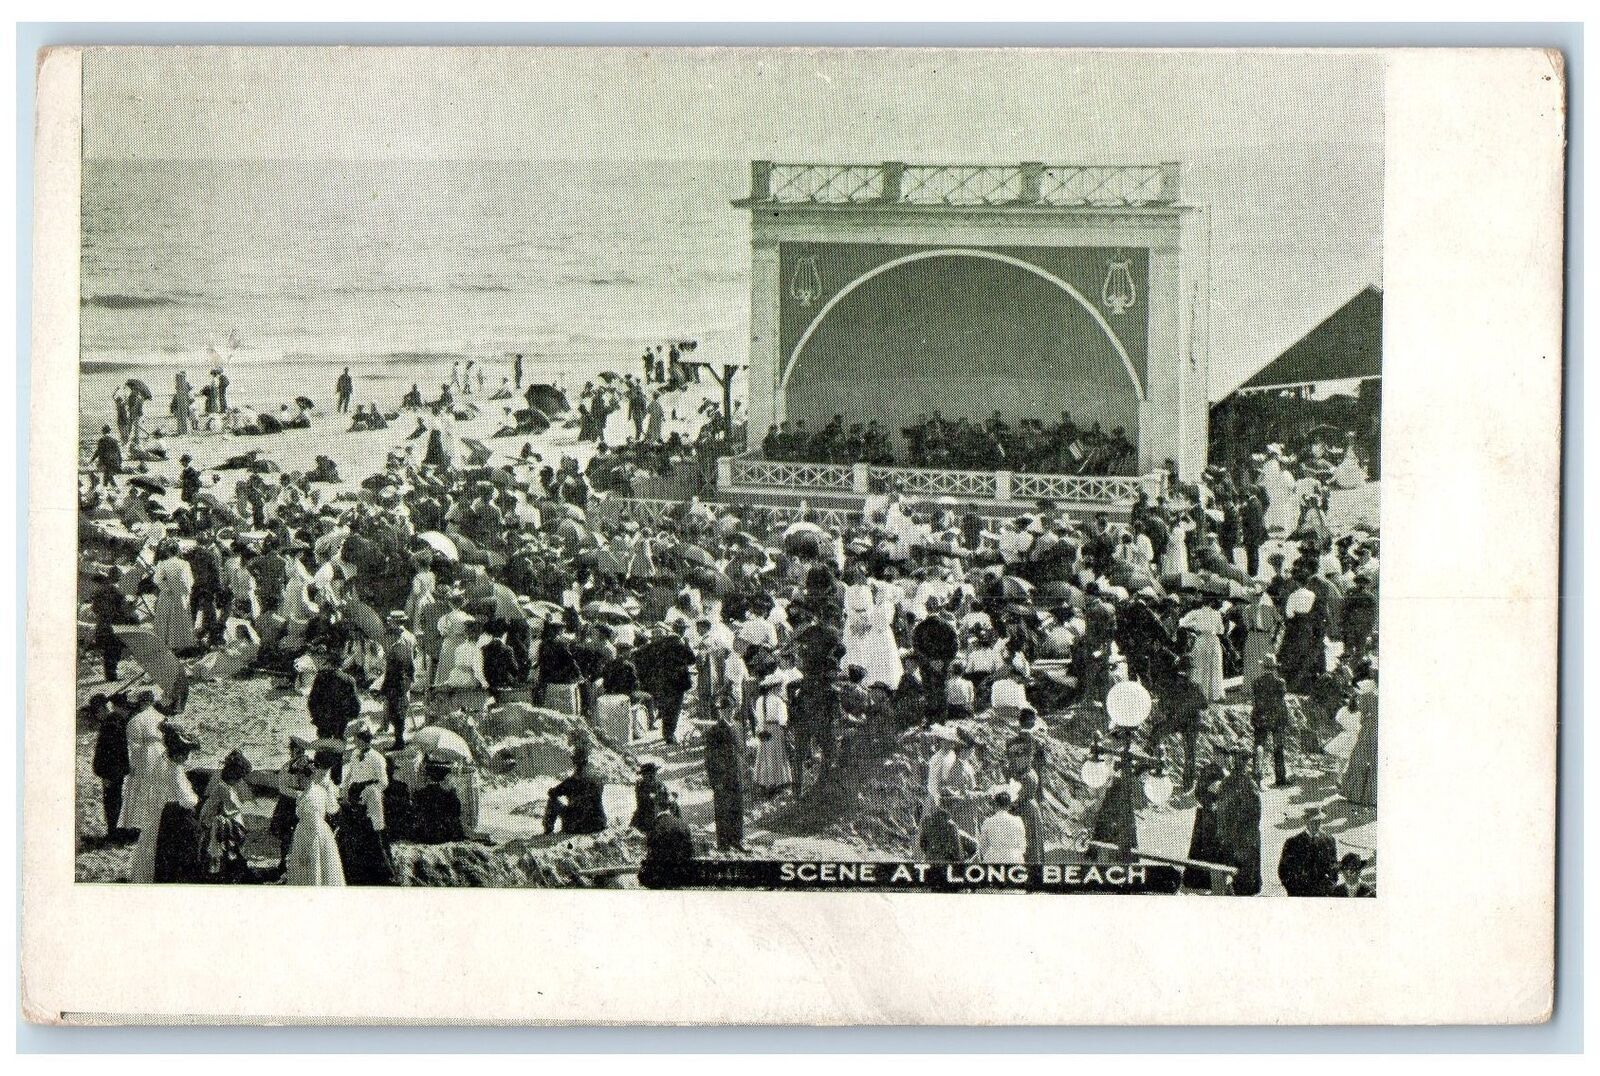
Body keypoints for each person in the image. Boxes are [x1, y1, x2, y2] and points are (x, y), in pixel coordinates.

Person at [337, 725, 394, 885]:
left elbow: (384, 782)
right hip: (355, 792)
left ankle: (380, 872)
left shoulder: (377, 758)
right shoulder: (355, 754)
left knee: (373, 831)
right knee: (354, 830)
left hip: (371, 795)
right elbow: (350, 774)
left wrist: (370, 790)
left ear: (363, 740)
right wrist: (345, 789)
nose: (354, 741)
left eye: (356, 738)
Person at [286, 750, 346, 886]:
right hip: (316, 830)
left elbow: (315, 825)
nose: (296, 780)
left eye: (298, 777)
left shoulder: (312, 794)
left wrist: (306, 852)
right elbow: (332, 808)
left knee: (312, 866)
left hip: (312, 833)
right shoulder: (318, 789)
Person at [198, 748, 254, 883]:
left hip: (219, 822)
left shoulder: (226, 787)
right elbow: (230, 809)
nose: (240, 780)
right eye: (239, 777)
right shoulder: (223, 788)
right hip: (218, 824)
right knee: (223, 851)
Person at [702, 690, 747, 851]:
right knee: (722, 809)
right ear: (721, 711)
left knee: (737, 807)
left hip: (736, 774)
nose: (729, 712)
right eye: (725, 709)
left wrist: (743, 771)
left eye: (731, 708)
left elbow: (742, 750)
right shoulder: (714, 731)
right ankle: (723, 843)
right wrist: (715, 780)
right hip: (721, 777)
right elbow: (710, 758)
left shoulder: (738, 727)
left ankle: (737, 839)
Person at [1215, 751, 1263, 896]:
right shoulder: (1248, 783)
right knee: (1244, 874)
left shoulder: (1227, 782)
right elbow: (1256, 812)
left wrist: (1223, 831)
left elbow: (1221, 810)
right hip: (1244, 835)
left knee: (1235, 869)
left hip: (1234, 834)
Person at [89, 693, 132, 842]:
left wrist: (107, 775)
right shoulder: (115, 721)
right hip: (115, 772)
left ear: (102, 709)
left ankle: (114, 834)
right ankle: (115, 832)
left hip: (111, 773)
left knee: (112, 804)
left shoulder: (111, 725)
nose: (96, 716)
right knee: (115, 802)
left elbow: (111, 754)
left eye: (96, 712)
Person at [1182, 763, 1229, 890]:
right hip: (1207, 816)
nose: (1225, 759)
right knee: (1203, 846)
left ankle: (1216, 879)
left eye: (1227, 756)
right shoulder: (1208, 770)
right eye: (1222, 755)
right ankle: (1200, 880)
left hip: (1220, 815)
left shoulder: (1226, 771)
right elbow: (1198, 792)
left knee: (1217, 848)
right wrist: (1209, 802)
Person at [1277, 805, 1339, 897]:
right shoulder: (1293, 842)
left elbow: (1334, 868)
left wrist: (1328, 888)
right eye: (1312, 821)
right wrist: (1294, 890)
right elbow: (1284, 871)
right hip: (1299, 893)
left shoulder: (1329, 841)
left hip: (1322, 894)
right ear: (1305, 821)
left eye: (1318, 821)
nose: (1316, 824)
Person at [544, 745, 607, 835]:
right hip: (598, 824)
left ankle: (548, 830)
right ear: (586, 762)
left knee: (553, 802)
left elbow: (553, 793)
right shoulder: (596, 780)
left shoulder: (571, 782)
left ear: (575, 763)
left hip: (577, 826)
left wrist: (554, 791)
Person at [150, 540, 199, 652]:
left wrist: (166, 588)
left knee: (166, 618)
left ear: (167, 552)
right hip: (180, 594)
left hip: (167, 594)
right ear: (177, 551)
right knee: (179, 618)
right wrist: (185, 591)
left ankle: (164, 643)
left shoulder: (163, 563)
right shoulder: (184, 564)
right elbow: (189, 581)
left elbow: (156, 580)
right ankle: (179, 644)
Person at [1250, 655, 1292, 786]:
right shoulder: (1280, 682)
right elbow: (1282, 698)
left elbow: (1255, 699)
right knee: (1278, 747)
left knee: (1259, 746)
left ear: (1263, 667)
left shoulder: (1256, 682)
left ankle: (1257, 776)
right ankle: (1280, 778)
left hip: (1260, 717)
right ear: (1274, 668)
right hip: (1276, 718)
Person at [1339, 677, 1379, 809]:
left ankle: (1355, 794)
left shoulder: (1367, 694)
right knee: (1375, 761)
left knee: (1360, 759)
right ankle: (1372, 797)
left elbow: (1362, 715)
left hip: (1369, 729)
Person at [409, 752, 467, 844]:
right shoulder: (449, 794)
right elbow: (457, 812)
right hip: (445, 834)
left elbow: (414, 812)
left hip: (425, 834)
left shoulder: (420, 794)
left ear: (428, 775)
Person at [751, 673, 793, 795]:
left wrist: (760, 730)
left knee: (765, 754)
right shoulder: (778, 701)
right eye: (779, 687)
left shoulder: (760, 700)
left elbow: (759, 718)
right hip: (775, 728)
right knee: (776, 754)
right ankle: (777, 782)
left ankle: (765, 782)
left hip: (764, 728)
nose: (780, 689)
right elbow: (783, 720)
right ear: (774, 687)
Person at [638, 802, 695, 889]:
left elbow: (650, 850)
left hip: (660, 877)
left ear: (657, 808)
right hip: (681, 875)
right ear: (669, 809)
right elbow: (690, 851)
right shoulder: (683, 825)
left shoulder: (654, 826)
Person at [381, 611, 417, 748]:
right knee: (401, 707)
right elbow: (414, 655)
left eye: (391, 621)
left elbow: (396, 663)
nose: (389, 623)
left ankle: (399, 740)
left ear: (395, 622)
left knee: (395, 709)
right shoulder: (410, 636)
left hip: (397, 676)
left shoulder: (399, 640)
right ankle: (400, 738)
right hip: (407, 675)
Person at [977, 790, 1027, 864]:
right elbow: (1022, 844)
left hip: (994, 858)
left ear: (996, 804)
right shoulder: (1018, 821)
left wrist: (989, 855)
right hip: (1013, 858)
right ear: (1009, 805)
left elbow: (983, 845)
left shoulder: (988, 822)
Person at [629, 761, 671, 834]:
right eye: (645, 775)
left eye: (653, 774)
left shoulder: (660, 786)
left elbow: (666, 803)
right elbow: (642, 802)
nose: (652, 776)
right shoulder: (640, 785)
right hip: (643, 816)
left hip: (657, 817)